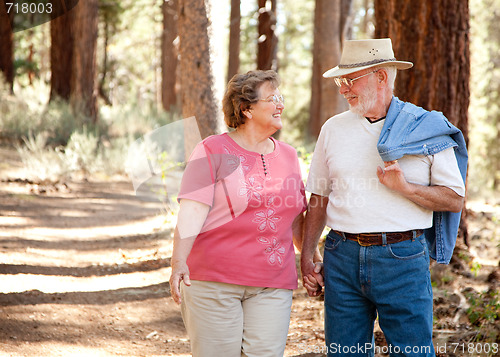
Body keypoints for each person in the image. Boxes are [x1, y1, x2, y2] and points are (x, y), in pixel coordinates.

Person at [300, 38, 467, 356]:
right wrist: (308, 257)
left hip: (402, 258)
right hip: (340, 256)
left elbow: (454, 199)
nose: (343, 89)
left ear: (381, 76)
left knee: (413, 352)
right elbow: (319, 196)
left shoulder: (426, 128)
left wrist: (406, 189)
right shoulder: (333, 129)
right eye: (340, 80)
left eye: (351, 80)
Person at [169, 70, 321, 357]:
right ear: (246, 109)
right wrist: (178, 262)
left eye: (281, 97)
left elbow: (293, 219)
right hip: (213, 281)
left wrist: (311, 259)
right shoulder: (211, 149)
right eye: (272, 98)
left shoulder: (288, 155)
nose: (281, 105)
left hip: (273, 284)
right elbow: (191, 212)